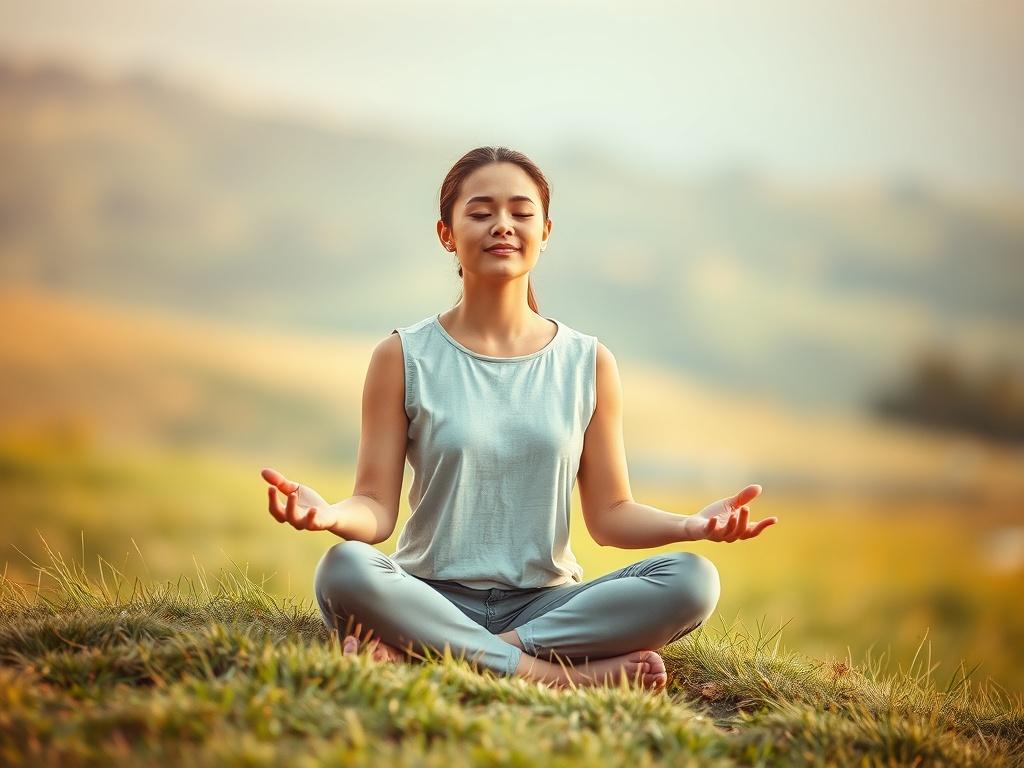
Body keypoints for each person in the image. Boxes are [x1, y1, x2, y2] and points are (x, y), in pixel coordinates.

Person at [261, 146, 778, 691]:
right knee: (344, 568)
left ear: (545, 232)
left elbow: (610, 516)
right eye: (481, 212)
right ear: (446, 234)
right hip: (427, 594)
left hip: (545, 608)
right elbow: (374, 507)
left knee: (692, 580)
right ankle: (546, 676)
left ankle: (433, 654)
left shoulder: (588, 362)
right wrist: (330, 515)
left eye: (521, 212)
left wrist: (691, 525)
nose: (503, 225)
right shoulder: (402, 356)